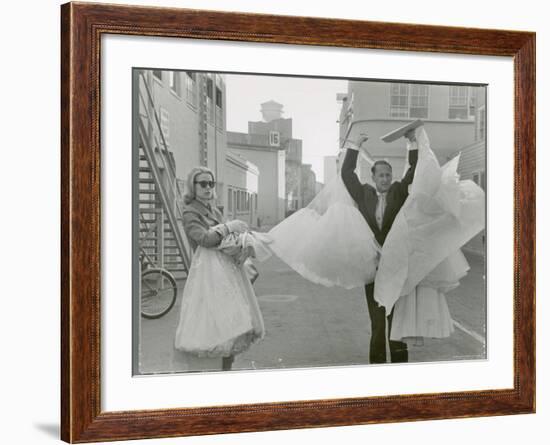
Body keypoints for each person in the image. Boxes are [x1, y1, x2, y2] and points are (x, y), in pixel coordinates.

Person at [173, 166, 265, 372]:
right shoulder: (189, 212)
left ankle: (225, 370)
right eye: (202, 184)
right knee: (213, 328)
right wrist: (228, 227)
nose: (207, 188)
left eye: (211, 183)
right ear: (193, 186)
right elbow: (204, 239)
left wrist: (241, 243)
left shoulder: (214, 210)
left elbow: (224, 239)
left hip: (225, 271)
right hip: (208, 275)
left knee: (231, 324)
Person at [340, 129, 419, 364]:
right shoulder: (364, 194)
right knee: (377, 323)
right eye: (381, 175)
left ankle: (399, 370)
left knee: (396, 323)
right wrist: (355, 145)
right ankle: (377, 370)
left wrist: (412, 143)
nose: (385, 179)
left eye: (388, 175)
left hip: (395, 268)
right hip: (372, 268)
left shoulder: (398, 192)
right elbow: (346, 173)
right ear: (373, 177)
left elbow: (413, 173)